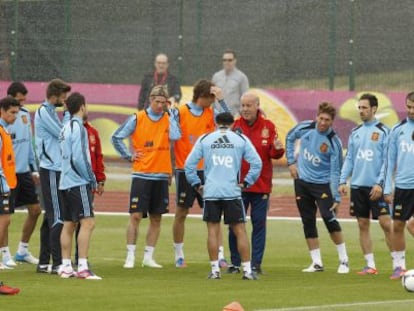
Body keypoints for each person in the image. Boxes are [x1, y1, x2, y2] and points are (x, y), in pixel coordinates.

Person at [185, 112, 262, 280]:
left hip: (211, 192)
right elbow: (257, 163)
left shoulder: (205, 139)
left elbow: (188, 165)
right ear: (232, 124)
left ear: (215, 123)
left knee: (212, 230)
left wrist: (197, 184)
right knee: (240, 230)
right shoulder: (240, 139)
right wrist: (246, 182)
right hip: (231, 192)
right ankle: (248, 271)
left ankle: (215, 271)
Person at [112, 85, 181, 269]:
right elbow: (116, 137)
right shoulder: (138, 118)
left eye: (163, 102)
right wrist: (129, 156)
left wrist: (172, 115)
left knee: (156, 217)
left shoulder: (168, 118)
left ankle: (148, 257)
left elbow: (175, 136)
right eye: (157, 101)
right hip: (142, 174)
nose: (160, 105)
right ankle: (130, 256)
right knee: (135, 216)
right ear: (150, 100)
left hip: (161, 175)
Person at [286, 102, 349, 274]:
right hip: (301, 182)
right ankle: (316, 263)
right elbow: (290, 138)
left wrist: (336, 197)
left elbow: (336, 171)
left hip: (322, 185)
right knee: (308, 221)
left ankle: (344, 261)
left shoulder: (334, 142)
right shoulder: (305, 127)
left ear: (332, 121)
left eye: (327, 120)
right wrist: (291, 162)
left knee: (329, 218)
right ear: (317, 116)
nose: (322, 122)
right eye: (321, 118)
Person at [172, 79, 229, 268]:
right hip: (184, 170)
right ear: (202, 96)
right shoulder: (180, 112)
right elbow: (171, 136)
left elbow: (228, 122)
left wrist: (221, 100)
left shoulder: (211, 113)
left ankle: (220, 255)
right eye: (211, 99)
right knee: (181, 213)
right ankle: (179, 255)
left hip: (208, 171)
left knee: (213, 214)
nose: (212, 102)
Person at [227, 92, 285, 275]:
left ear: (257, 106)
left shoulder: (268, 126)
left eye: (248, 106)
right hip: (238, 186)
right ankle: (236, 263)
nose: (245, 109)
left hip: (261, 186)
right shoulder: (235, 126)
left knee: (259, 224)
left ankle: (255, 264)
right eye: (242, 106)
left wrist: (278, 149)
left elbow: (275, 154)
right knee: (235, 224)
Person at [338, 94, 392, 275]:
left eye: (364, 108)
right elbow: (350, 159)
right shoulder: (356, 132)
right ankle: (370, 265)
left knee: (386, 223)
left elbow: (387, 161)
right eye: (359, 108)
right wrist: (342, 179)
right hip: (358, 186)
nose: (361, 111)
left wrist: (380, 184)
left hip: (377, 187)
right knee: (362, 224)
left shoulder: (384, 131)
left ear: (374, 109)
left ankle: (398, 264)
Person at [58, 92, 100, 279]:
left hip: (65, 181)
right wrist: (91, 178)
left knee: (69, 224)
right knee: (88, 222)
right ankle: (82, 266)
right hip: (77, 182)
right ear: (82, 106)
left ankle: (66, 266)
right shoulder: (79, 128)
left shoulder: (65, 127)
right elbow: (80, 158)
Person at [34, 79, 71, 274]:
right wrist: (66, 114)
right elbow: (62, 134)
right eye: (63, 95)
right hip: (50, 169)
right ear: (54, 94)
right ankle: (57, 263)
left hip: (55, 169)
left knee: (49, 218)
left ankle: (43, 262)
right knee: (57, 216)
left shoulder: (49, 112)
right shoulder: (43, 111)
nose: (65, 99)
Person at [6, 82, 41, 266]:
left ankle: (22, 251)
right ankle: (4, 254)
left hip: (24, 173)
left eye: (23, 100)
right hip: (7, 174)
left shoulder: (26, 115)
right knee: (5, 217)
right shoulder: (3, 120)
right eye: (19, 100)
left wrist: (33, 168)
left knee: (35, 210)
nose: (22, 104)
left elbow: (28, 144)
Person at [384, 91, 414, 279]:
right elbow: (389, 161)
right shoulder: (397, 130)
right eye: (409, 106)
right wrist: (387, 187)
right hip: (403, 186)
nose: (411, 110)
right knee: (398, 226)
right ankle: (399, 266)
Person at [74, 114, 106, 265]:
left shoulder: (93, 132)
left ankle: (80, 257)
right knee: (71, 222)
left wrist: (100, 179)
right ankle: (64, 260)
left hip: (89, 183)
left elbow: (98, 156)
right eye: (82, 107)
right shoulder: (70, 129)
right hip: (74, 182)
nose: (85, 110)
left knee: (84, 221)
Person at [0, 97, 20, 270]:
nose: (15, 117)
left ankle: (4, 256)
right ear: (2, 111)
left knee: (5, 221)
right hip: (1, 184)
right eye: (12, 113)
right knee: (3, 220)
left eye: (16, 113)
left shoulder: (4, 130)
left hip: (6, 182)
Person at [212, 49, 249, 116]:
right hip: (217, 118)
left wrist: (239, 115)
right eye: (224, 60)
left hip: (233, 117)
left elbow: (245, 99)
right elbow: (212, 97)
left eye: (230, 60)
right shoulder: (216, 77)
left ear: (235, 61)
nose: (227, 62)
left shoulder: (242, 77)